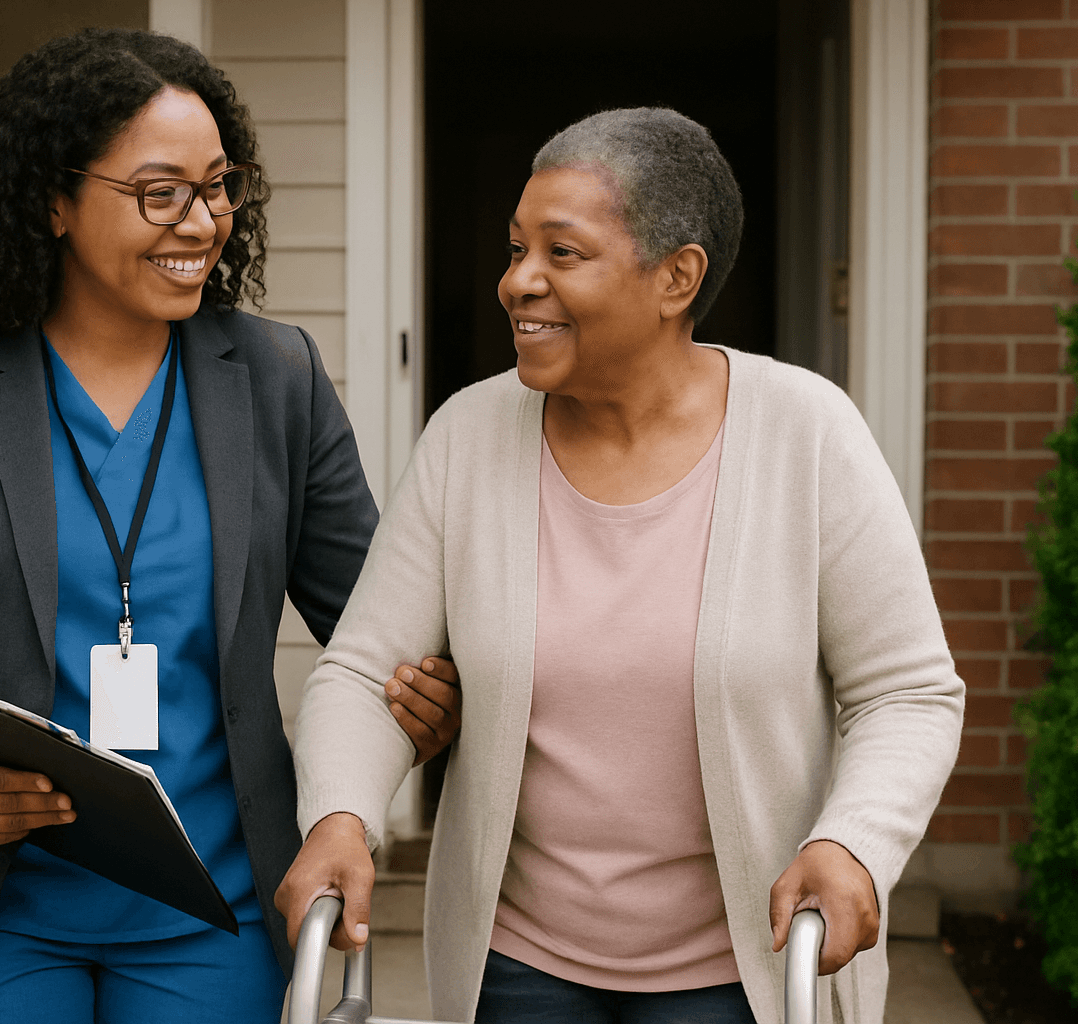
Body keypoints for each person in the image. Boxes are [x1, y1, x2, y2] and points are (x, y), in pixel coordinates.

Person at [0, 28, 460, 1024]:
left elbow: (373, 629)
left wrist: (423, 699)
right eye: (162, 191)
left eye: (219, 186)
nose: (203, 222)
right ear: (55, 202)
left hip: (215, 905)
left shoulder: (278, 381)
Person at [277, 107, 965, 1024]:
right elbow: (363, 673)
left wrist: (853, 844)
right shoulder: (467, 438)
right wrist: (340, 817)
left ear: (677, 276)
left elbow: (907, 692)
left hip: (743, 972)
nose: (517, 281)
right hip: (519, 968)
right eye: (517, 248)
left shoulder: (808, 434)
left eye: (562, 254)